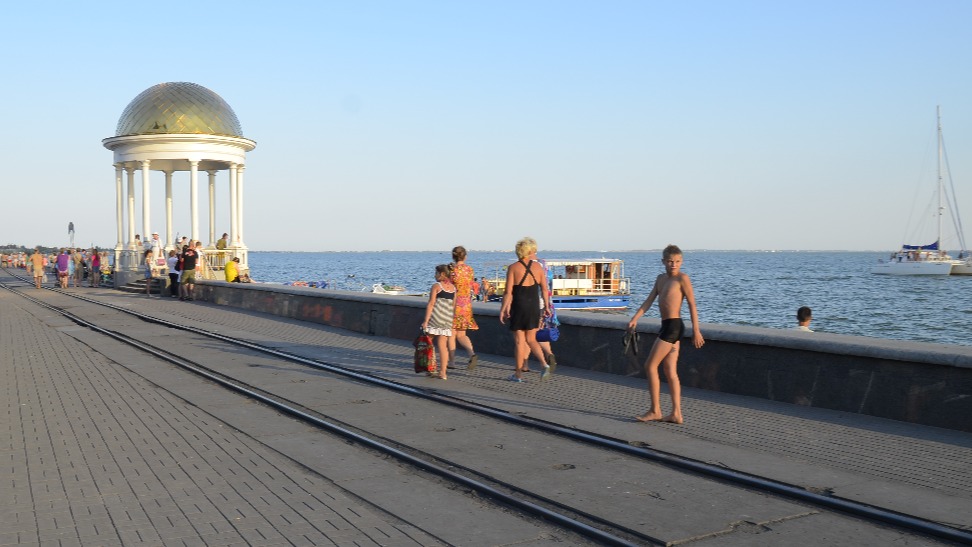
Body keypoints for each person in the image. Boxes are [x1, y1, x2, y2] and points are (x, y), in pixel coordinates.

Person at [627, 244, 704, 424]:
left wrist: (697, 330)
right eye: (670, 261)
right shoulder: (661, 279)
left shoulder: (682, 279)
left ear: (681, 262)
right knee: (670, 370)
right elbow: (649, 301)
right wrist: (635, 318)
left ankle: (655, 410)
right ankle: (676, 414)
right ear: (663, 261)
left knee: (650, 366)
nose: (673, 265)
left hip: (674, 327)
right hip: (666, 326)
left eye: (677, 261)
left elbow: (692, 304)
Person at [499, 237, 552, 382]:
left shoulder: (513, 268)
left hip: (519, 305)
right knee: (532, 339)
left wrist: (503, 309)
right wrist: (547, 307)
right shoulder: (538, 268)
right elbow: (545, 289)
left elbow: (508, 292)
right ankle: (543, 364)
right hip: (534, 306)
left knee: (519, 342)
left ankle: (518, 375)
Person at [421, 264, 456, 380]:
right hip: (447, 319)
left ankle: (430, 367)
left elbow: (431, 304)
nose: (434, 275)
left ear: (441, 274)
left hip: (436, 317)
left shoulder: (436, 286)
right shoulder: (453, 288)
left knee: (428, 342)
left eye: (436, 273)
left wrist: (426, 321)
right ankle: (443, 373)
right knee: (443, 346)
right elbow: (454, 306)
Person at [448, 246, 479, 370]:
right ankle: (471, 353)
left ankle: (451, 362)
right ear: (465, 256)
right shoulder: (469, 270)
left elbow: (449, 287)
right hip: (466, 304)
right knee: (461, 334)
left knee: (451, 334)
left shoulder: (452, 270)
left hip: (454, 303)